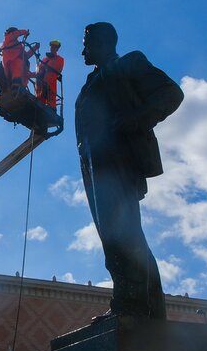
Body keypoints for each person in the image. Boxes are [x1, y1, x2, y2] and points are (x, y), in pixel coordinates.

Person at [74, 22, 183, 322]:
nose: (82, 51)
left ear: (103, 41)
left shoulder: (129, 63)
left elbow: (171, 93)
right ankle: (140, 307)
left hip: (119, 161)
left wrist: (134, 119)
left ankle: (135, 308)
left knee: (124, 234)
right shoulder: (91, 82)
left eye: (86, 43)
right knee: (116, 237)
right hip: (94, 167)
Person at [0, 27, 38, 94]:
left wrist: (35, 48)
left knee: (20, 65)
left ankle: (17, 86)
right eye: (15, 32)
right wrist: (25, 32)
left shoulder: (18, 45)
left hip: (19, 73)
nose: (17, 35)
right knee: (18, 63)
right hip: (10, 64)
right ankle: (16, 85)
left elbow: (26, 56)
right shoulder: (8, 39)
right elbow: (15, 34)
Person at [35, 39, 65, 108]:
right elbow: (39, 71)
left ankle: (52, 109)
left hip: (50, 84)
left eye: (55, 47)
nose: (53, 48)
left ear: (57, 49)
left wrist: (45, 73)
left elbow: (57, 70)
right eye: (52, 46)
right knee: (40, 101)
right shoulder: (45, 59)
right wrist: (27, 74)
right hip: (41, 85)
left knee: (51, 102)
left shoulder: (59, 59)